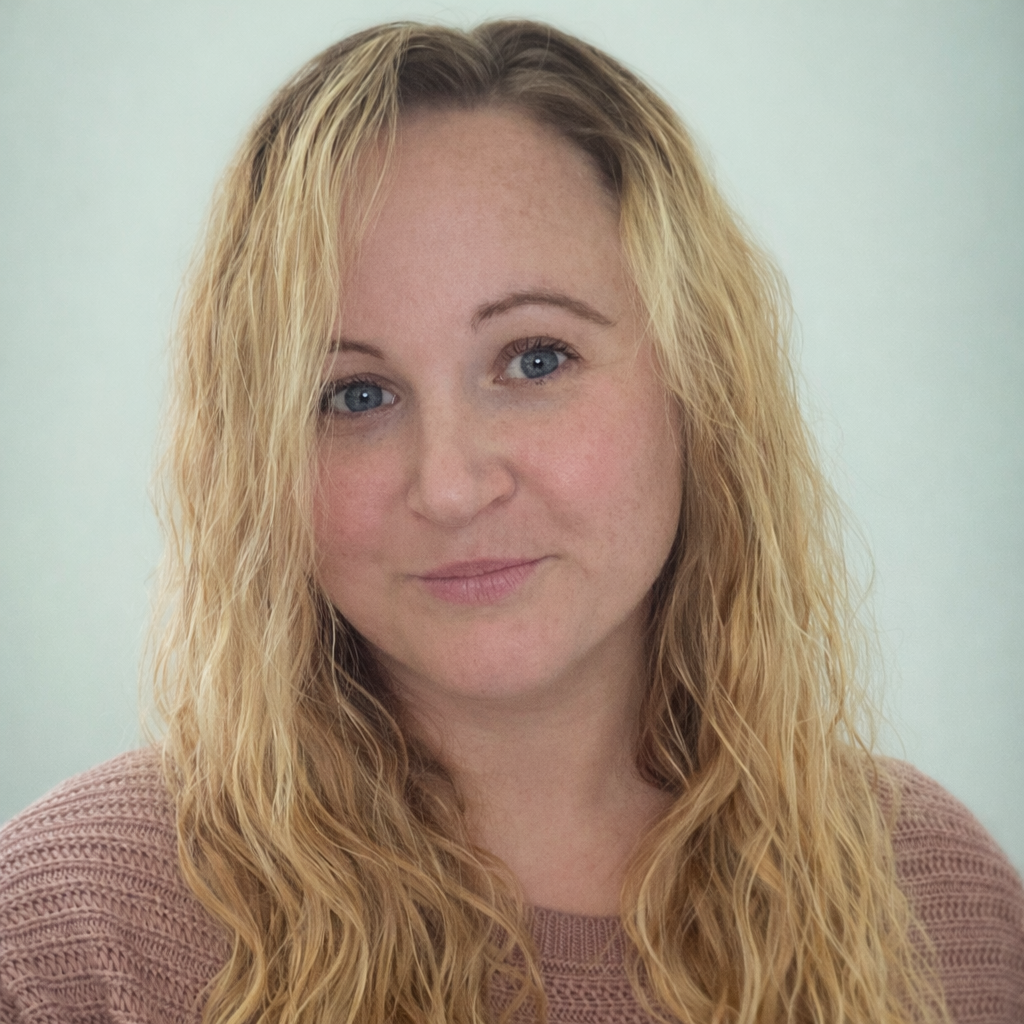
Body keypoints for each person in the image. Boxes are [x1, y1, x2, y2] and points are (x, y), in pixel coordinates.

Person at [0, 19, 1021, 1024]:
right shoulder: (65, 945)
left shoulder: (937, 908)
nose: (450, 487)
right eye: (354, 395)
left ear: (698, 384)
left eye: (535, 360)